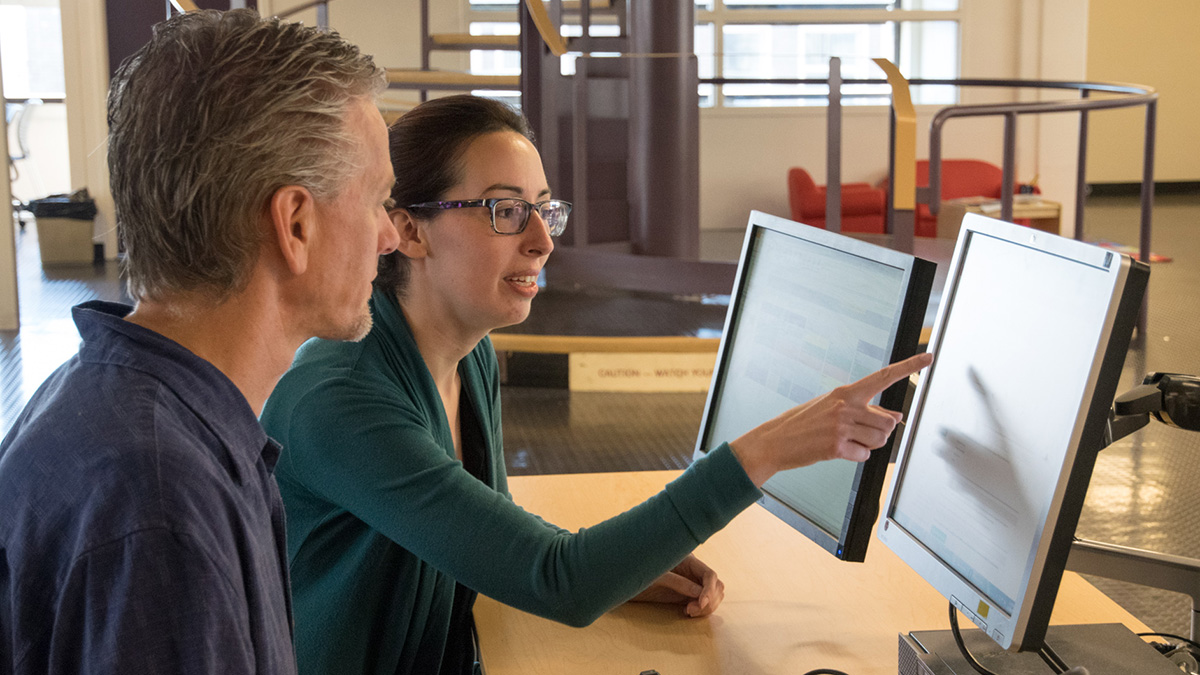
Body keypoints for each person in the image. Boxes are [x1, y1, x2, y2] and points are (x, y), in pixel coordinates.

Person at [259, 94, 931, 675]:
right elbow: (560, 582)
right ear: (408, 228)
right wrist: (764, 451)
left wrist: (624, 567)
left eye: (543, 210)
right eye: (503, 211)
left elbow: (486, 533)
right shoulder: (340, 396)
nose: (540, 241)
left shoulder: (466, 352)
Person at [0, 10, 399, 673]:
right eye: (378, 200)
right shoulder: (161, 502)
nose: (389, 235)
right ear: (294, 224)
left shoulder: (120, 404)